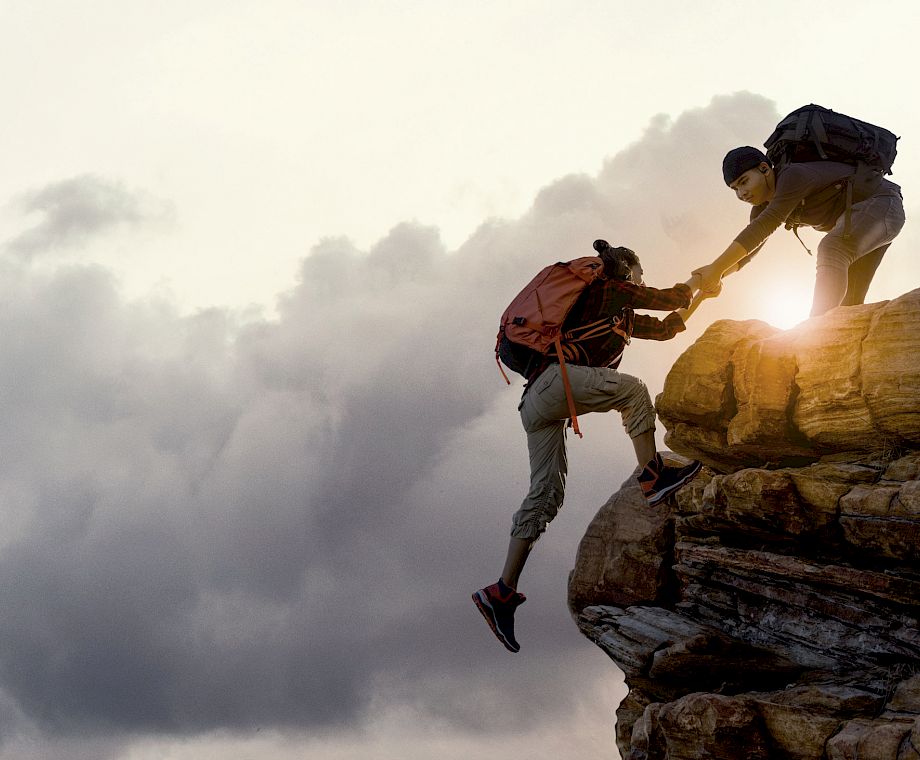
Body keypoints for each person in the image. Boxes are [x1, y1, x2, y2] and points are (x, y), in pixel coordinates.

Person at [472, 242, 705, 653]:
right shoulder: (610, 291)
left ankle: (501, 593)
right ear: (627, 270)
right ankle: (653, 477)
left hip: (536, 404)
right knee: (633, 391)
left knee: (545, 495)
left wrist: (698, 297)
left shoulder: (618, 316)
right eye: (639, 273)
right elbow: (670, 299)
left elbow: (668, 326)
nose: (641, 281)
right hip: (556, 385)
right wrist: (700, 282)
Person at [693, 146, 905, 316]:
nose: (741, 193)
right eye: (735, 189)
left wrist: (716, 269)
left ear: (765, 169)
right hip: (859, 225)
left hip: (883, 206)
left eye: (744, 182)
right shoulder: (762, 207)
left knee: (833, 249)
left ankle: (813, 332)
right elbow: (747, 253)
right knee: (847, 311)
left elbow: (764, 226)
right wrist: (716, 275)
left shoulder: (792, 176)